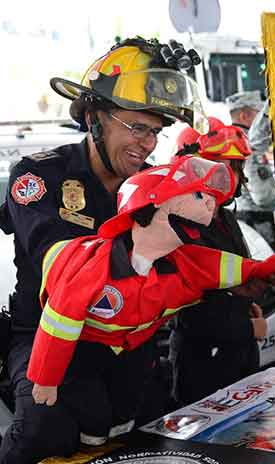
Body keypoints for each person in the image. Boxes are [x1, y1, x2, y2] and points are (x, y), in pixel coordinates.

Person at [0, 37, 207, 464]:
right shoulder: (40, 176)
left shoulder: (157, 188)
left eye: (155, 131)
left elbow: (188, 265)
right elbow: (61, 267)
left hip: (131, 346)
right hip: (51, 339)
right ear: (94, 118)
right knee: (42, 431)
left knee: (156, 439)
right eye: (136, 127)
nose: (148, 144)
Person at [25, 155, 275, 462]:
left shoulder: (184, 262)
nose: (210, 204)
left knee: (126, 411)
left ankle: (118, 453)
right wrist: (46, 378)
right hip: (84, 350)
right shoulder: (95, 270)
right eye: (198, 196)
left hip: (133, 350)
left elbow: (225, 267)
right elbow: (58, 324)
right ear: (151, 206)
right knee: (92, 416)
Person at [169, 118, 272, 406]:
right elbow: (188, 313)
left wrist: (246, 303)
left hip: (239, 353)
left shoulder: (225, 218)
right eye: (219, 168)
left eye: (234, 169)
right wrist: (248, 329)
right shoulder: (179, 226)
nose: (230, 177)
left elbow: (237, 275)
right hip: (202, 362)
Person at [236, 100, 275, 250]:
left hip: (242, 217)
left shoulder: (232, 142)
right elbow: (264, 198)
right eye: (259, 114)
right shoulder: (250, 146)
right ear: (244, 116)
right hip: (257, 221)